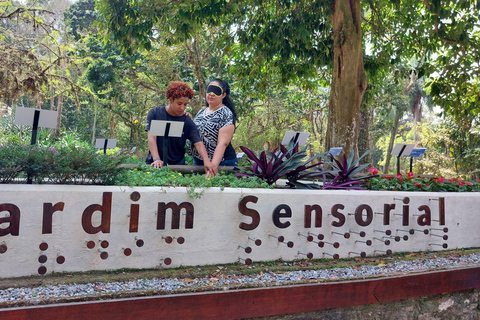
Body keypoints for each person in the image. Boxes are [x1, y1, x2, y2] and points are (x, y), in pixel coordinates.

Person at [145, 81, 214, 175]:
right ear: (170, 100)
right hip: (154, 164)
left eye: (185, 104)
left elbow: (198, 143)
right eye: (179, 103)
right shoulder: (155, 113)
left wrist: (206, 161)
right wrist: (157, 159)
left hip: (178, 166)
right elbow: (152, 137)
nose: (182, 108)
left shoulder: (187, 121)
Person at [190, 79, 237, 176]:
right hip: (200, 161)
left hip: (221, 163)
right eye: (209, 90)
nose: (211, 94)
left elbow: (222, 143)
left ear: (223, 95)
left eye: (216, 91)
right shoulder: (201, 112)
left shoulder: (225, 113)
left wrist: (212, 167)